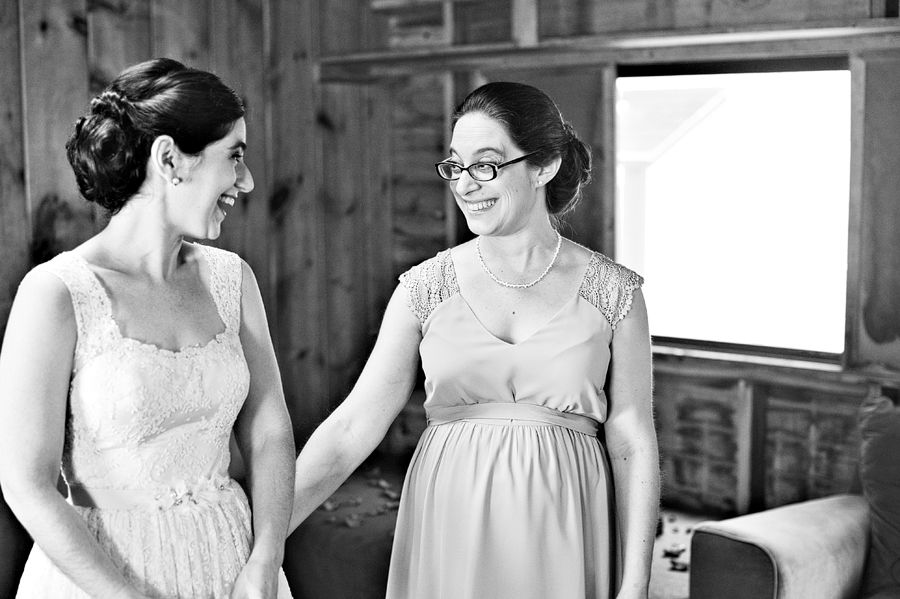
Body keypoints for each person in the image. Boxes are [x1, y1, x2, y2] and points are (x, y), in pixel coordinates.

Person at [290, 81, 659, 599]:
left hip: (566, 525)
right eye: (455, 166)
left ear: (544, 166)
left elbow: (631, 437)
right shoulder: (424, 287)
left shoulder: (616, 292)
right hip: (449, 523)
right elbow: (353, 425)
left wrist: (636, 582)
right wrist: (262, 536)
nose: (465, 184)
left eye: (485, 164)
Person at [0, 58, 295, 599]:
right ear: (169, 159)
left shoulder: (232, 279)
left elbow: (270, 428)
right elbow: (25, 483)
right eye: (235, 156)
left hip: (230, 561)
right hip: (105, 575)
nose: (246, 181)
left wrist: (266, 557)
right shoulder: (56, 295)